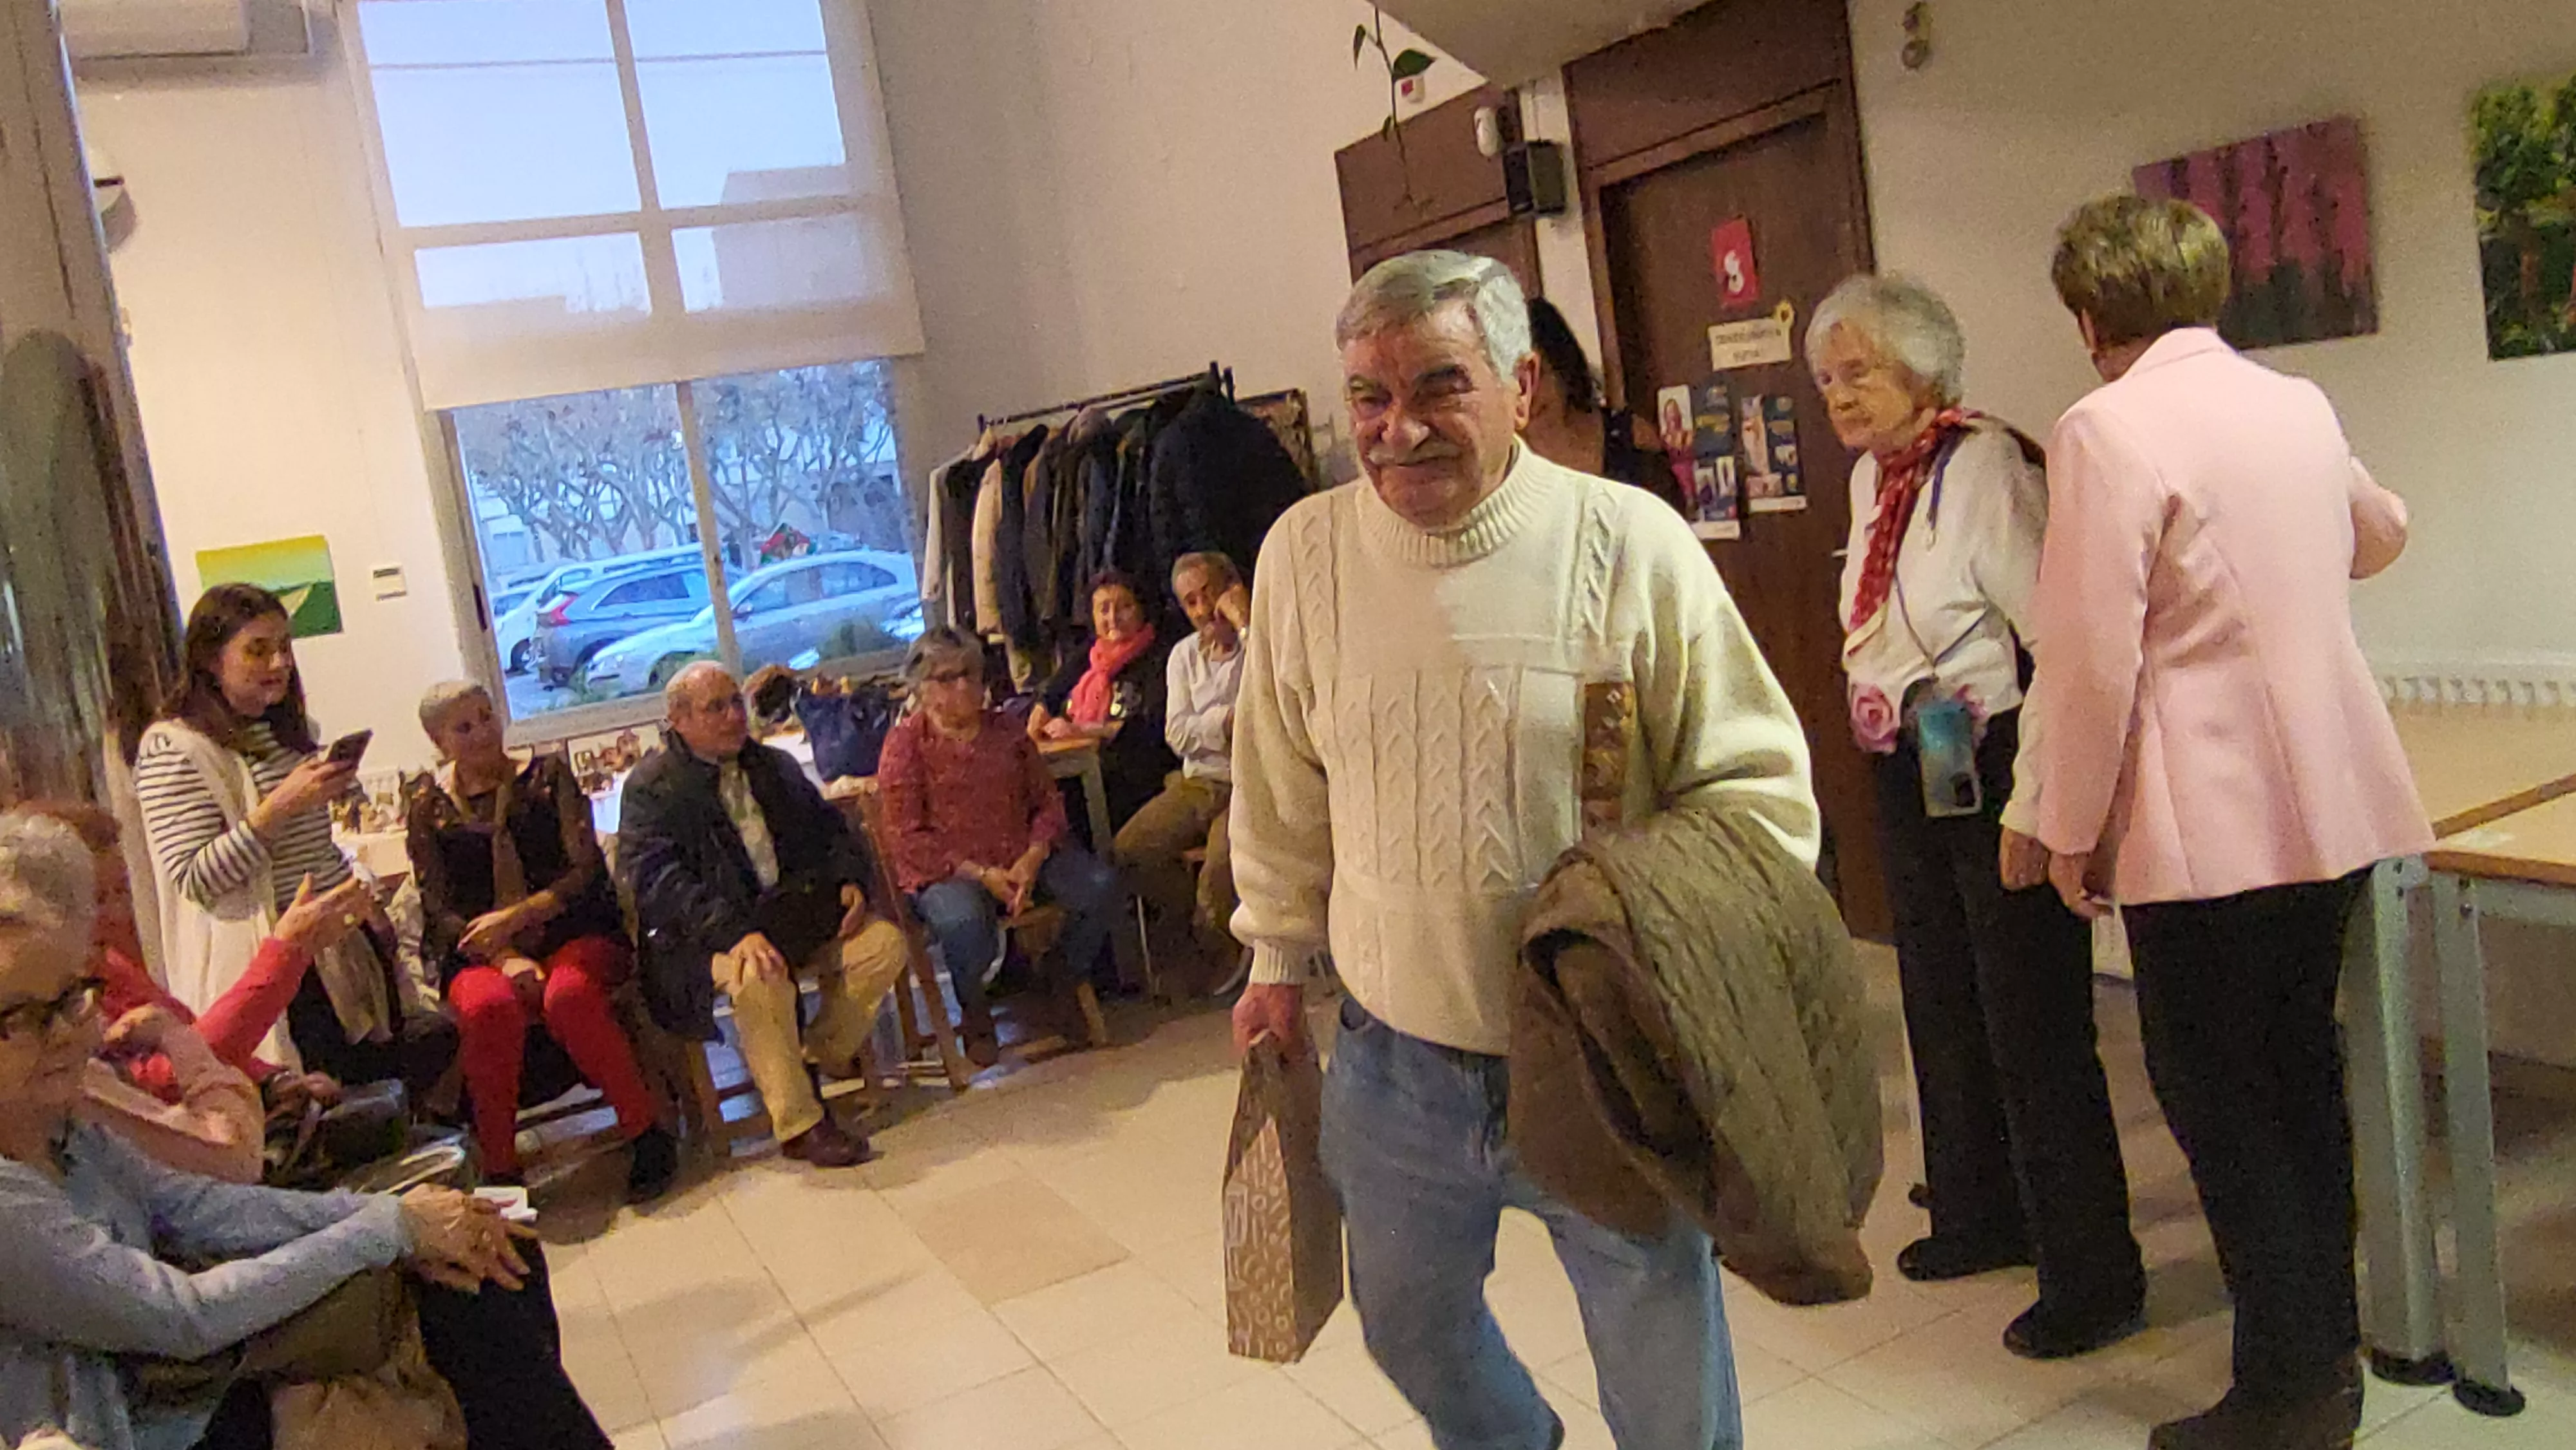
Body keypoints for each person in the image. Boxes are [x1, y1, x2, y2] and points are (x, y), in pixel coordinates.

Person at [1229, 250, 1817, 1450]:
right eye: (1368, 399)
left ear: (1522, 383)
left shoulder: (1628, 538)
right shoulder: (1303, 553)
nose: (1397, 431)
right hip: (1395, 1061)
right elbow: (1280, 778)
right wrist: (1275, 960)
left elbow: (1757, 785)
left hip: (1604, 1059)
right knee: (1406, 1326)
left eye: (1437, 386)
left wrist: (1689, 962)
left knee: (1665, 1379)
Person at [2030, 196, 2429, 1450]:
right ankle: (2323, 1355)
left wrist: (2060, 826)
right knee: (2299, 1079)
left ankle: (2285, 1391)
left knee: (2216, 1098)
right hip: (2332, 797)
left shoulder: (2104, 426)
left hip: (2203, 825)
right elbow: (2381, 533)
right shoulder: (2293, 403)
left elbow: (2091, 658)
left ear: (2089, 317)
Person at [0, 813, 611, 1450]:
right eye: (22, 1016)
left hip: (197, 1366)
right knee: (469, 1299)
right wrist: (388, 1227)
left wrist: (393, 1215)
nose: (69, 1029)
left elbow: (202, 1205)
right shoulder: (19, 1181)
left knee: (488, 1255)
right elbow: (183, 1301)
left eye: (71, 998)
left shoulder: (66, 1121)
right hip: (166, 1411)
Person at [1808, 273, 2146, 1359]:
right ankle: (1978, 1208)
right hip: (1908, 757)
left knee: (2030, 1018)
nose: (1839, 395)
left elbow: (2056, 640)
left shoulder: (1986, 466)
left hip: (1995, 753)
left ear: (1922, 365)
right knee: (1938, 995)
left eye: (1857, 370)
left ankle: (2091, 1271)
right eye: (1826, 379)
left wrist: (2040, 800)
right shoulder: (1877, 481)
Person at [135, 585, 455, 1097]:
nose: (279, 662)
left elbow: (312, 850)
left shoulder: (288, 732)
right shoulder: (175, 749)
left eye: (285, 646)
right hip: (278, 962)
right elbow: (196, 879)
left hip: (344, 947)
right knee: (324, 1105)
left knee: (392, 1090)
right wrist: (281, 805)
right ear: (210, 660)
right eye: (258, 649)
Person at [622, 664, 909, 1169]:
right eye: (717, 707)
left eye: (737, 702)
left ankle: (809, 1058)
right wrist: (734, 935)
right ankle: (802, 1125)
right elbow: (657, 882)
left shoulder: (772, 765)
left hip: (788, 920)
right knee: (759, 977)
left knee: (884, 945)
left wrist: (849, 882)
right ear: (679, 719)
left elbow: (833, 833)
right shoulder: (652, 787)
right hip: (699, 941)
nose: (735, 716)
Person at [406, 682, 676, 1199]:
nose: (483, 732)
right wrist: (503, 955)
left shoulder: (547, 777)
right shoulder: (429, 807)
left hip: (571, 930)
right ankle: (502, 1170)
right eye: (465, 727)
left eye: (487, 717)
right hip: (479, 951)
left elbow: (586, 873)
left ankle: (646, 1133)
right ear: (440, 741)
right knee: (487, 1007)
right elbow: (437, 906)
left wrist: (521, 916)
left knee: (568, 995)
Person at [878, 629, 1123, 1066]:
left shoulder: (1007, 729)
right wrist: (981, 874)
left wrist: (1033, 856)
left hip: (1024, 856)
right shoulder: (905, 745)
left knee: (1100, 886)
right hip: (951, 871)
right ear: (922, 690)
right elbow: (908, 837)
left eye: (970, 674)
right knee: (964, 921)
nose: (964, 687)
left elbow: (1048, 802)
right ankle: (975, 1009)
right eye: (947, 679)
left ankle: (1061, 976)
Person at [1111, 551, 1249, 990]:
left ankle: (1220, 951)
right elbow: (1177, 733)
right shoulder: (1182, 657)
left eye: (1210, 594)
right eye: (1191, 602)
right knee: (1131, 849)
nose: (1204, 610)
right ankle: (1198, 928)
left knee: (1220, 864)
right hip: (1199, 780)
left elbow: (1270, 715)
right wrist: (1226, 721)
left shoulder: (1262, 642)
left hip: (1254, 782)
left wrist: (1247, 624)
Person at [1027, 569, 1175, 831]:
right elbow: (1049, 694)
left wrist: (1083, 731)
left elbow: (1152, 727)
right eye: (1103, 610)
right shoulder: (1087, 655)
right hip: (1078, 766)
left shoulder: (1161, 658)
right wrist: (1038, 721)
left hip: (1133, 773)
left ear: (1143, 609)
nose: (1113, 619)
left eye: (1124, 607)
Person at [1522, 296, 1680, 510]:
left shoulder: (1631, 437)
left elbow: (1671, 525)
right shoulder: (1500, 463)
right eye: (1514, 379)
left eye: (1539, 376)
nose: (1529, 394)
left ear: (1563, 368)